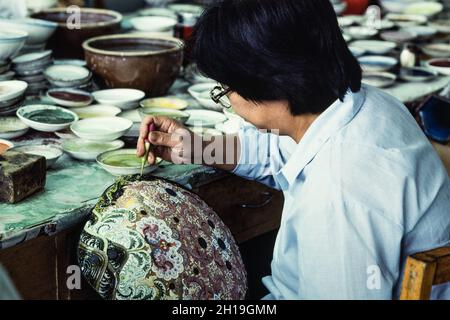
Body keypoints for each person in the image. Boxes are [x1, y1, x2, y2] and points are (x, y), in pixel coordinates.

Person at [136, 0, 450, 299]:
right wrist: (198, 147)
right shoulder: (364, 106)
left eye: (225, 90)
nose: (228, 102)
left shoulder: (339, 192)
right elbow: (279, 151)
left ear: (269, 82)